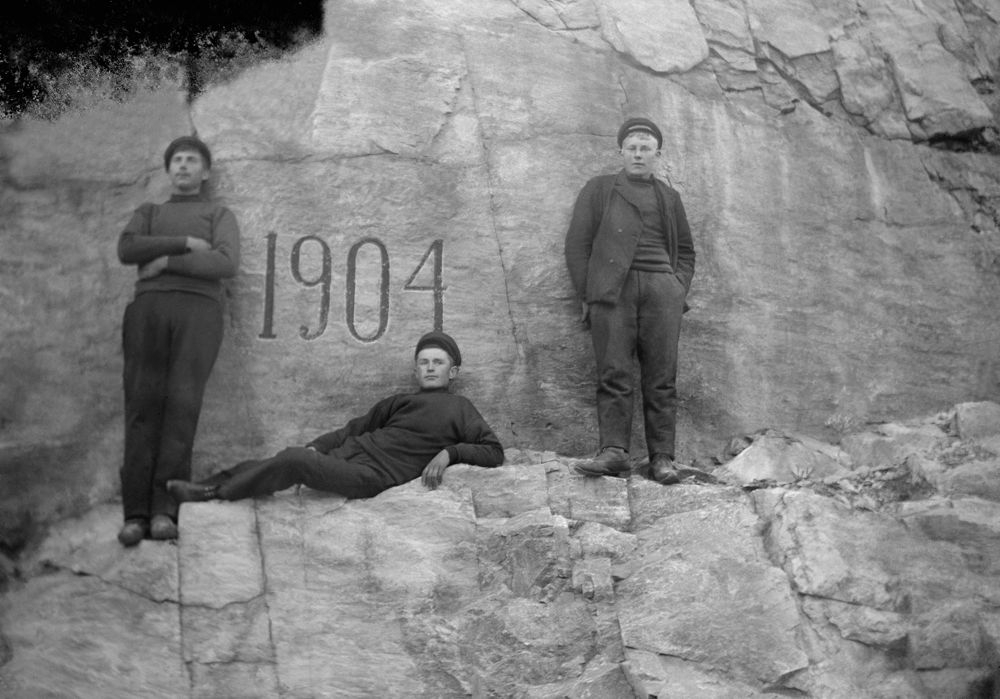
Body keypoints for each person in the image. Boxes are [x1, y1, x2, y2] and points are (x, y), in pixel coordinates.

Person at [166, 331, 504, 505]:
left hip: (371, 476)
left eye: (438, 363)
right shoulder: (398, 402)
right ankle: (203, 485)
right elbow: (352, 430)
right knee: (285, 457)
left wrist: (449, 453)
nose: (430, 368)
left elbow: (493, 451)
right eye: (424, 363)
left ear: (453, 370)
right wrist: (317, 446)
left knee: (293, 461)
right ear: (416, 370)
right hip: (347, 457)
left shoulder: (460, 408)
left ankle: (218, 495)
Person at [116, 135, 240, 546]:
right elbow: (128, 248)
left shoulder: (218, 213)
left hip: (199, 315)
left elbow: (225, 261)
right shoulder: (149, 212)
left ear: (205, 172)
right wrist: (184, 243)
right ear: (169, 170)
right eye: (177, 161)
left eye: (192, 161)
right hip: (149, 312)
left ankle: (165, 511)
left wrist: (167, 261)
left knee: (182, 408)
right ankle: (135, 514)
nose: (184, 166)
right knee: (142, 407)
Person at [564, 117, 695, 484]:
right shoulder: (599, 190)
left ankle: (662, 459)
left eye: (646, 149)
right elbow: (577, 245)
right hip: (612, 292)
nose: (638, 154)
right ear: (621, 152)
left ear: (657, 154)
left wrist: (676, 286)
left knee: (662, 377)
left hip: (661, 292)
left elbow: (685, 250)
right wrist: (589, 292)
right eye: (632, 148)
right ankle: (615, 452)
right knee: (613, 372)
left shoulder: (669, 198)